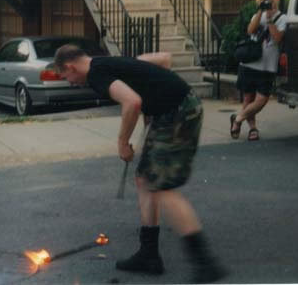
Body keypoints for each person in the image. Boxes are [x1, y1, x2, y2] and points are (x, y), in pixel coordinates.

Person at [54, 45, 226, 284]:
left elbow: (132, 102)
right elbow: (164, 59)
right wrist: (154, 96)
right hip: (173, 111)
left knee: (162, 186)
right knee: (145, 178)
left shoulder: (96, 74)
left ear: (70, 66)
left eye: (66, 77)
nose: (70, 82)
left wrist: (123, 142)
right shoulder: (108, 62)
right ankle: (149, 254)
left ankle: (206, 264)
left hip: (178, 113)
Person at [230, 0, 287, 141]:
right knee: (248, 99)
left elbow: (277, 39)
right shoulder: (258, 14)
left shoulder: (283, 18)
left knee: (261, 100)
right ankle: (252, 129)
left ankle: (237, 119)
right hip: (250, 63)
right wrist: (261, 11)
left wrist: (269, 20)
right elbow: (250, 31)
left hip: (268, 66)